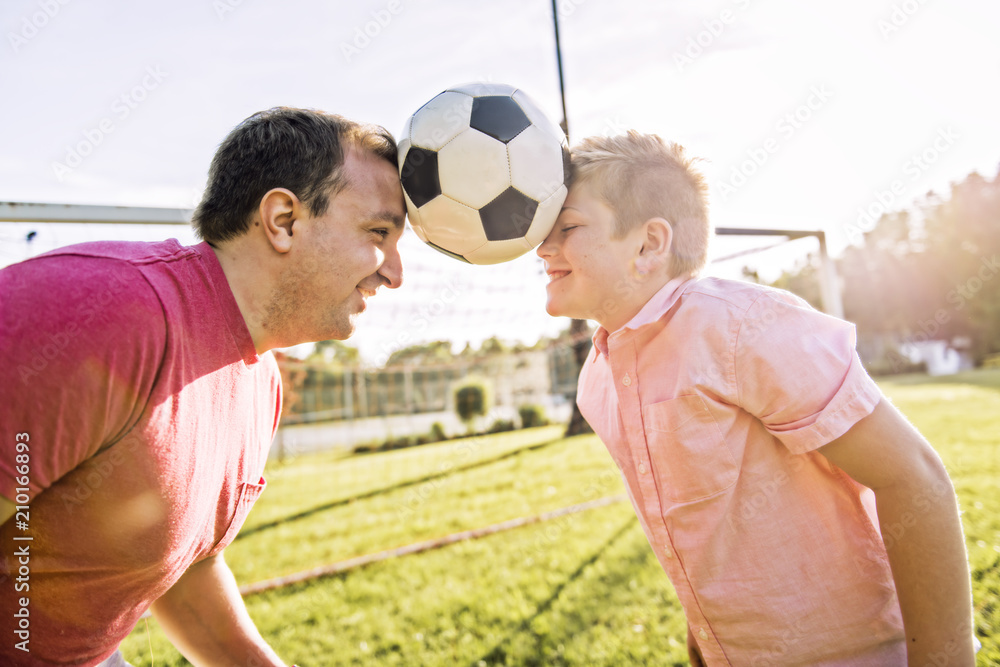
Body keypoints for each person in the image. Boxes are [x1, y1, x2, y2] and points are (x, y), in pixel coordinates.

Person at [536, 130, 975, 665]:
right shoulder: (597, 381)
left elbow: (914, 477)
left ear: (650, 244)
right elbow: (694, 534)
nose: (543, 248)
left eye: (568, 228)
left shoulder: (743, 328)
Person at [0, 107, 405, 666]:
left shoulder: (261, 379)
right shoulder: (92, 314)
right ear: (284, 220)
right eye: (379, 233)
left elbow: (184, 563)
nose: (395, 271)